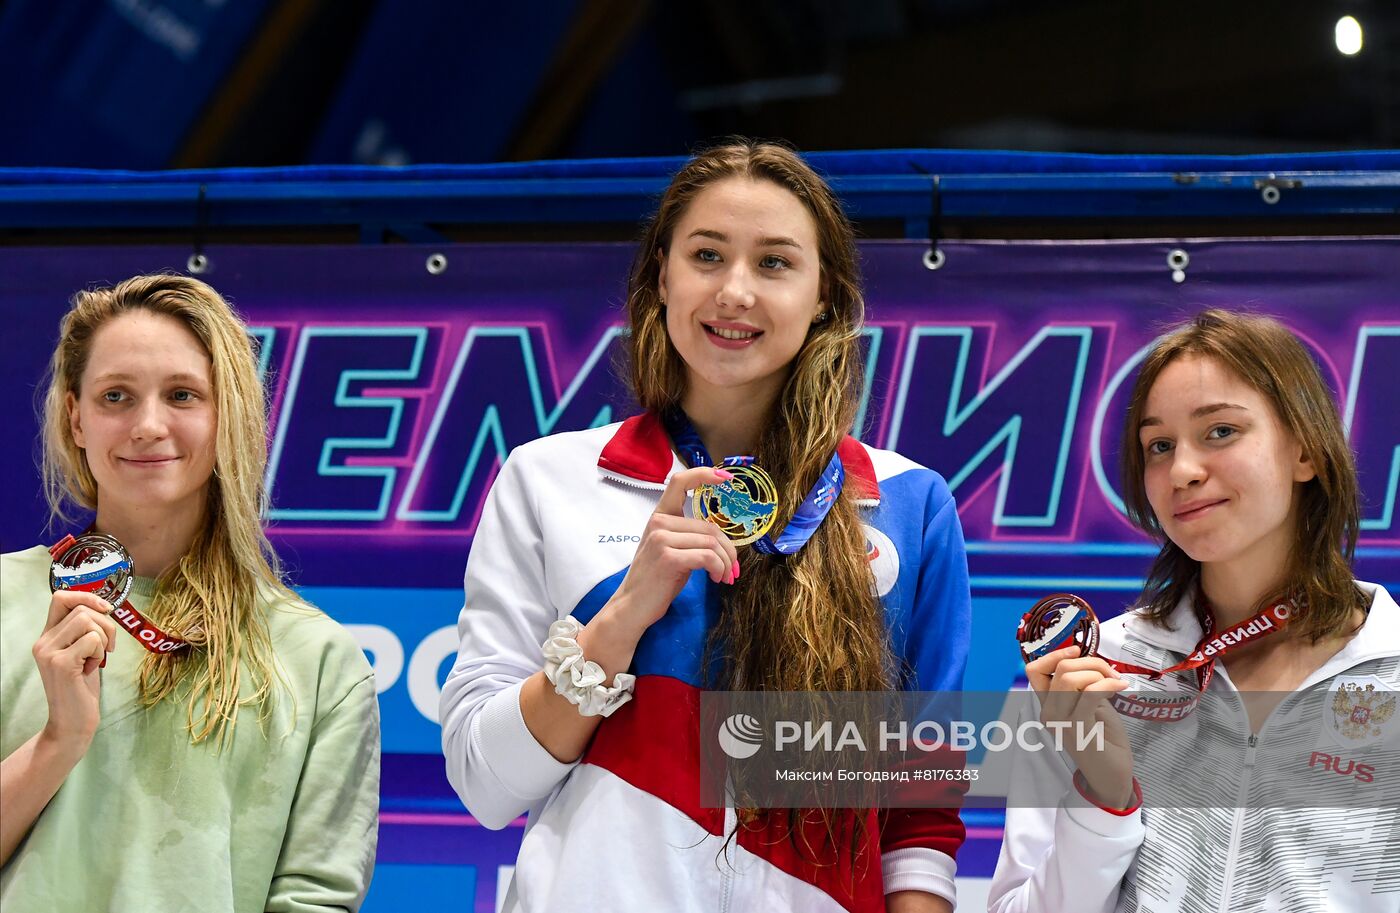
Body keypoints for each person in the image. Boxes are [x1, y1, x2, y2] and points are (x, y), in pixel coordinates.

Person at [440, 140, 972, 913]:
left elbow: (919, 812)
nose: (734, 291)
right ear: (664, 275)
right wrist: (623, 614)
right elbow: (487, 783)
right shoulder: (548, 479)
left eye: (775, 263)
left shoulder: (907, 502)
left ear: (825, 293)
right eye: (707, 255)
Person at [989, 309, 1400, 913]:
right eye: (1159, 446)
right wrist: (1103, 798)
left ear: (1306, 452)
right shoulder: (1091, 674)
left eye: (1221, 432)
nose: (1181, 471)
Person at [0, 274, 380, 912]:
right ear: (76, 418)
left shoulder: (318, 661)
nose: (148, 426)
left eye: (182, 395)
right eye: (116, 396)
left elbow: (315, 898)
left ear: (228, 412)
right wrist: (58, 740)